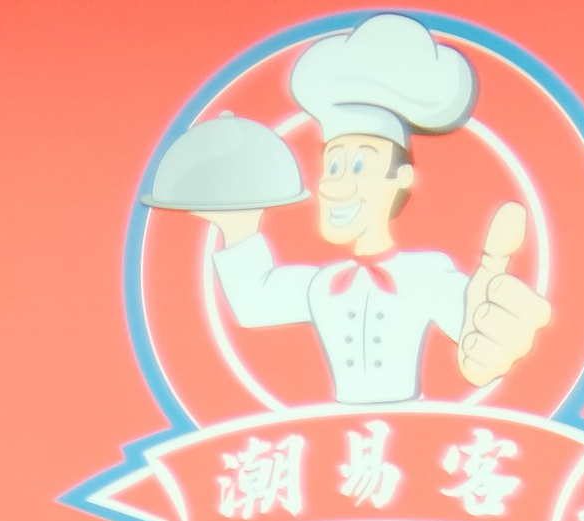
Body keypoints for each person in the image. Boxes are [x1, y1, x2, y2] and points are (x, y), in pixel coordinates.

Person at [202, 14, 551, 407]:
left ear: (401, 177)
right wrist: (238, 223)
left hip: (419, 430)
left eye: (358, 165)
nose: (333, 185)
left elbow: (474, 320)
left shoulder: (427, 274)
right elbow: (254, 303)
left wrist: (495, 331)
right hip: (333, 435)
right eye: (332, 165)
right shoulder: (322, 284)